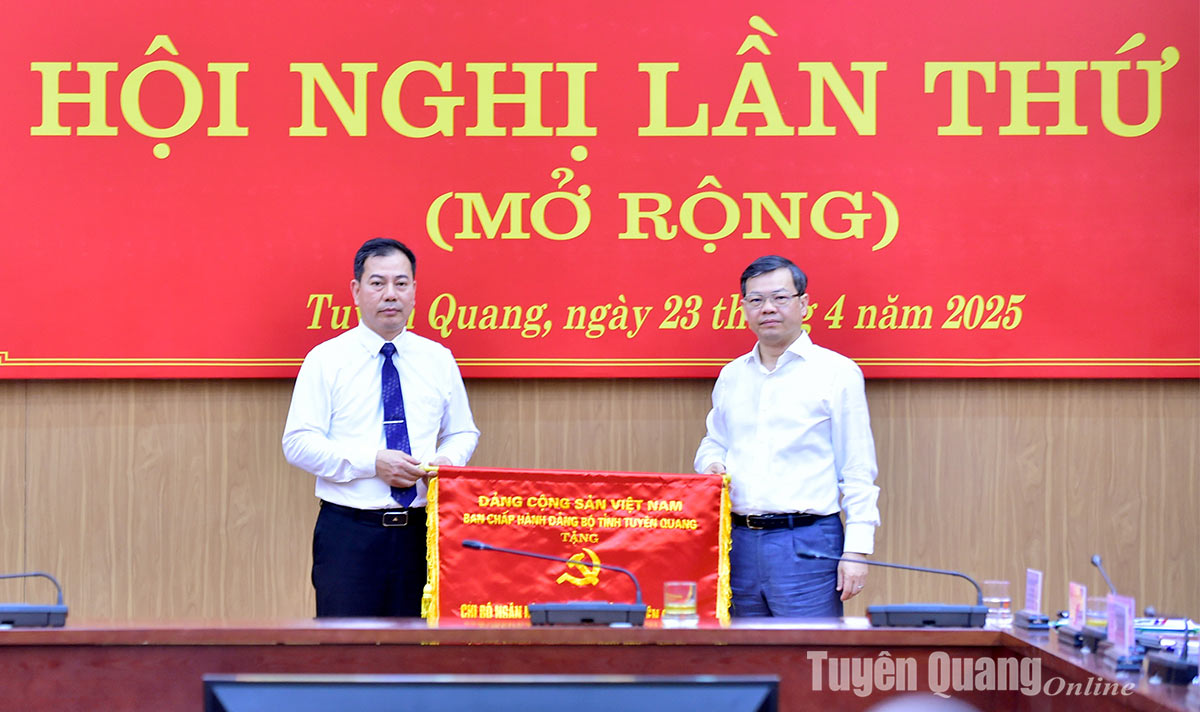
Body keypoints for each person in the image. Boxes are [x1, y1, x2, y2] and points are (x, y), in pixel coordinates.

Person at [283, 238, 479, 617]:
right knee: (346, 649)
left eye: (401, 283)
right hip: (349, 534)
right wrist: (371, 462)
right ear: (356, 291)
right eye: (378, 283)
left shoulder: (438, 359)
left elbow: (462, 432)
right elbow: (298, 442)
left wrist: (445, 464)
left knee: (418, 647)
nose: (391, 294)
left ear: (414, 291)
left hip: (423, 533)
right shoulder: (326, 360)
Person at [694, 255, 880, 617]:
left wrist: (857, 550)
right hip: (737, 541)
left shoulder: (837, 372)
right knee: (743, 650)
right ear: (744, 308)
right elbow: (714, 440)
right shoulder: (732, 375)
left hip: (807, 541)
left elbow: (857, 467)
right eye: (756, 300)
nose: (768, 308)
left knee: (808, 650)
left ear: (803, 303)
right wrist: (712, 462)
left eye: (780, 298)